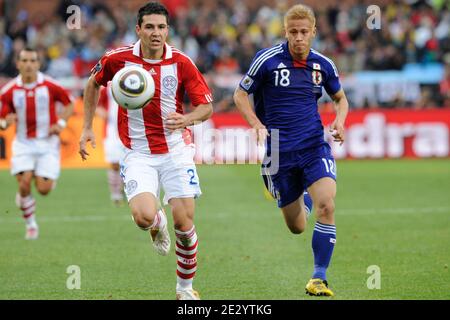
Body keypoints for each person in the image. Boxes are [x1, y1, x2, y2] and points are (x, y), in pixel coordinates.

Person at [78, 2, 213, 300]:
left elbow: (206, 106)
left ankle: (184, 289)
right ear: (138, 29)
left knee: (184, 222)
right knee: (142, 217)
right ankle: (156, 221)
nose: (156, 33)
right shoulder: (118, 59)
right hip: (137, 152)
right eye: (149, 27)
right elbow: (93, 84)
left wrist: (188, 119)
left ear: (168, 30)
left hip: (176, 149)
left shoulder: (182, 62)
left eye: (161, 27)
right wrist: (87, 127)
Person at [233, 4, 349, 297]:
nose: (298, 38)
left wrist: (340, 119)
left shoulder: (323, 65)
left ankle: (318, 278)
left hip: (313, 146)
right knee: (297, 226)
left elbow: (340, 98)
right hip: (278, 151)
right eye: (293, 32)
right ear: (285, 32)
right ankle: (298, 195)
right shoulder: (267, 60)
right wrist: (256, 124)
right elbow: (240, 93)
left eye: (304, 32)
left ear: (313, 33)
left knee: (328, 205)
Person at [0, 47, 74, 240]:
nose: (29, 65)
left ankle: (37, 181)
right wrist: (5, 122)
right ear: (18, 64)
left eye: (33, 61)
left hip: (48, 143)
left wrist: (60, 123)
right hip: (24, 144)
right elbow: (3, 118)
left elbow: (69, 104)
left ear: (38, 64)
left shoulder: (50, 85)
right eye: (24, 61)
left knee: (43, 190)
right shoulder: (9, 91)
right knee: (24, 183)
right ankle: (31, 224)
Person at [96, 83, 126, 206]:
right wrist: (102, 112)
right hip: (111, 132)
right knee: (114, 164)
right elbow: (97, 105)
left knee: (131, 163)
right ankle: (116, 194)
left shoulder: (134, 82)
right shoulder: (106, 88)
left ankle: (129, 189)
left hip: (130, 130)